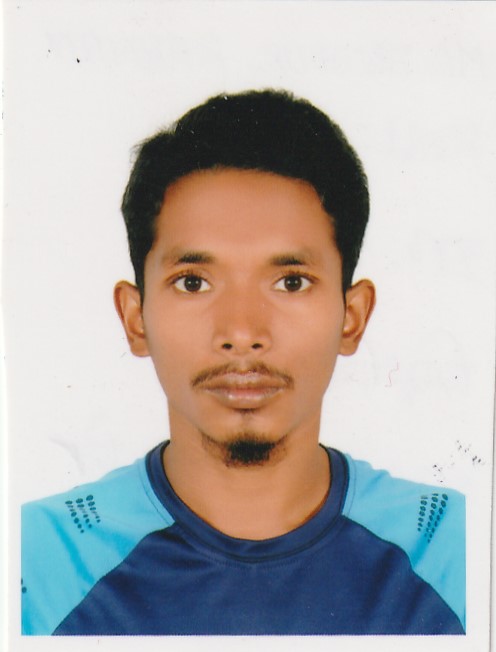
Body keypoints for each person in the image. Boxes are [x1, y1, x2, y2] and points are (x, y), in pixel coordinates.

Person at [21, 89, 465, 636]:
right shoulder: (35, 564)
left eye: (291, 282)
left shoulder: (456, 553)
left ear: (352, 317)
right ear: (136, 319)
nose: (242, 333)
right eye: (193, 282)